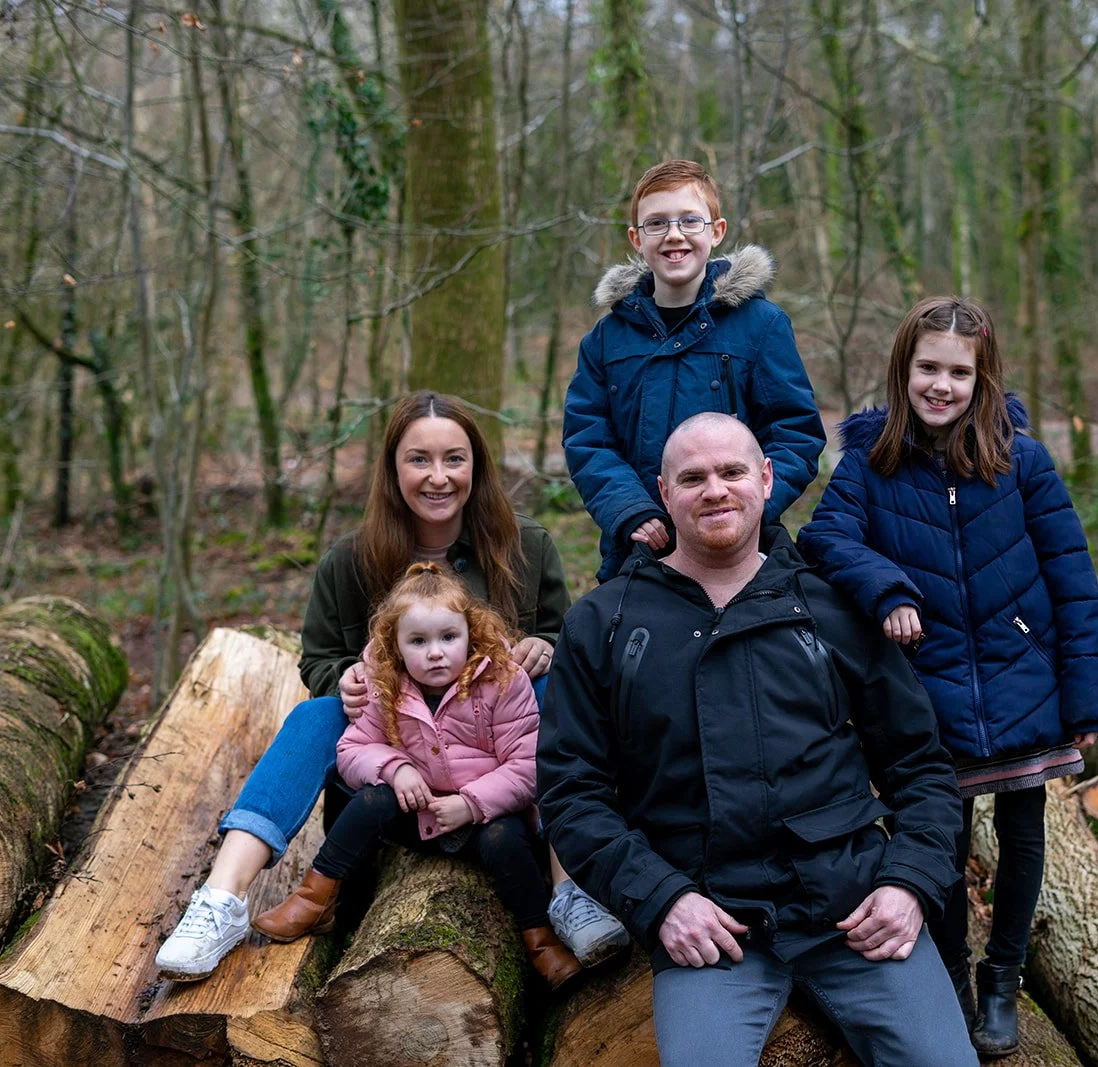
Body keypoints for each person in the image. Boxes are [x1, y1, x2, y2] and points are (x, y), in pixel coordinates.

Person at [539, 413, 978, 1067]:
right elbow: (571, 791)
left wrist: (909, 882)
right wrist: (663, 901)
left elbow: (921, 767)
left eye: (732, 471)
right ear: (664, 491)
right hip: (709, 921)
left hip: (852, 907)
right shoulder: (605, 621)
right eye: (693, 477)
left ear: (766, 479)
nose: (715, 489)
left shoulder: (832, 606)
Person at [154, 391, 627, 982]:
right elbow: (320, 658)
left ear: (476, 466)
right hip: (390, 787)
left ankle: (570, 888)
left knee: (556, 687)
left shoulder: (524, 546)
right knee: (316, 715)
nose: (438, 477)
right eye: (418, 460)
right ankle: (220, 903)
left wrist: (546, 645)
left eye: (454, 459)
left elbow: (561, 630)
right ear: (392, 467)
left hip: (500, 780)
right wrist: (344, 677)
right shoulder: (350, 560)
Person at [796, 296, 1098, 1058]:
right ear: (904, 370)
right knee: (936, 836)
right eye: (928, 368)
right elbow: (823, 539)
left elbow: (1073, 577)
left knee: (1022, 830)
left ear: (984, 378)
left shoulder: (1023, 462)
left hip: (1021, 677)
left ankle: (1002, 975)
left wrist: (1087, 692)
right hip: (926, 686)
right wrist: (889, 588)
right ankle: (948, 972)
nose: (941, 385)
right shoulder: (872, 465)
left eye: (958, 372)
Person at [250, 563, 582, 988]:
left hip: (486, 817)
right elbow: (351, 750)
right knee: (370, 802)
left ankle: (539, 940)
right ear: (396, 646)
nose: (436, 652)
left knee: (507, 842)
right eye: (418, 641)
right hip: (416, 816)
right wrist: (396, 766)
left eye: (448, 637)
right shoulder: (385, 684)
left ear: (471, 633)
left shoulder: (503, 682)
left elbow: (527, 767)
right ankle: (315, 897)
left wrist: (471, 803)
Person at [562, 158, 825, 583]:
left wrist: (742, 509)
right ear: (637, 238)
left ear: (716, 232)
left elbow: (796, 432)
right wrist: (629, 509)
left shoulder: (761, 326)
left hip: (740, 552)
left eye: (689, 221)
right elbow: (587, 439)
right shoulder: (606, 340)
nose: (674, 235)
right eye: (656, 224)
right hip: (641, 550)